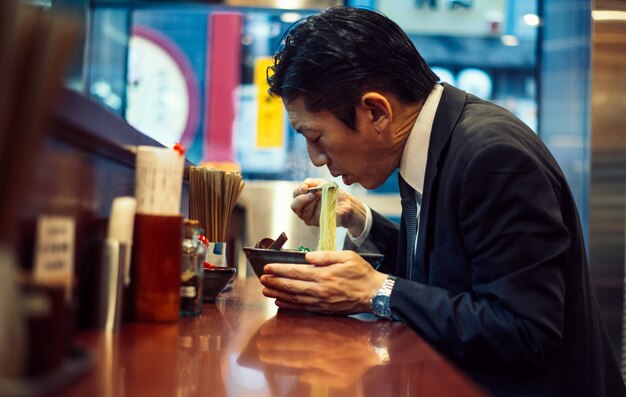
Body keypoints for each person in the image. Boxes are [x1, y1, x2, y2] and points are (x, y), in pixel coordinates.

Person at [259, 6, 625, 397]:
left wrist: (377, 291)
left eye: (316, 138)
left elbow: (525, 331)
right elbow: (446, 273)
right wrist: (362, 221)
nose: (317, 158)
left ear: (376, 111)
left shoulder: (493, 158)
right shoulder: (434, 140)